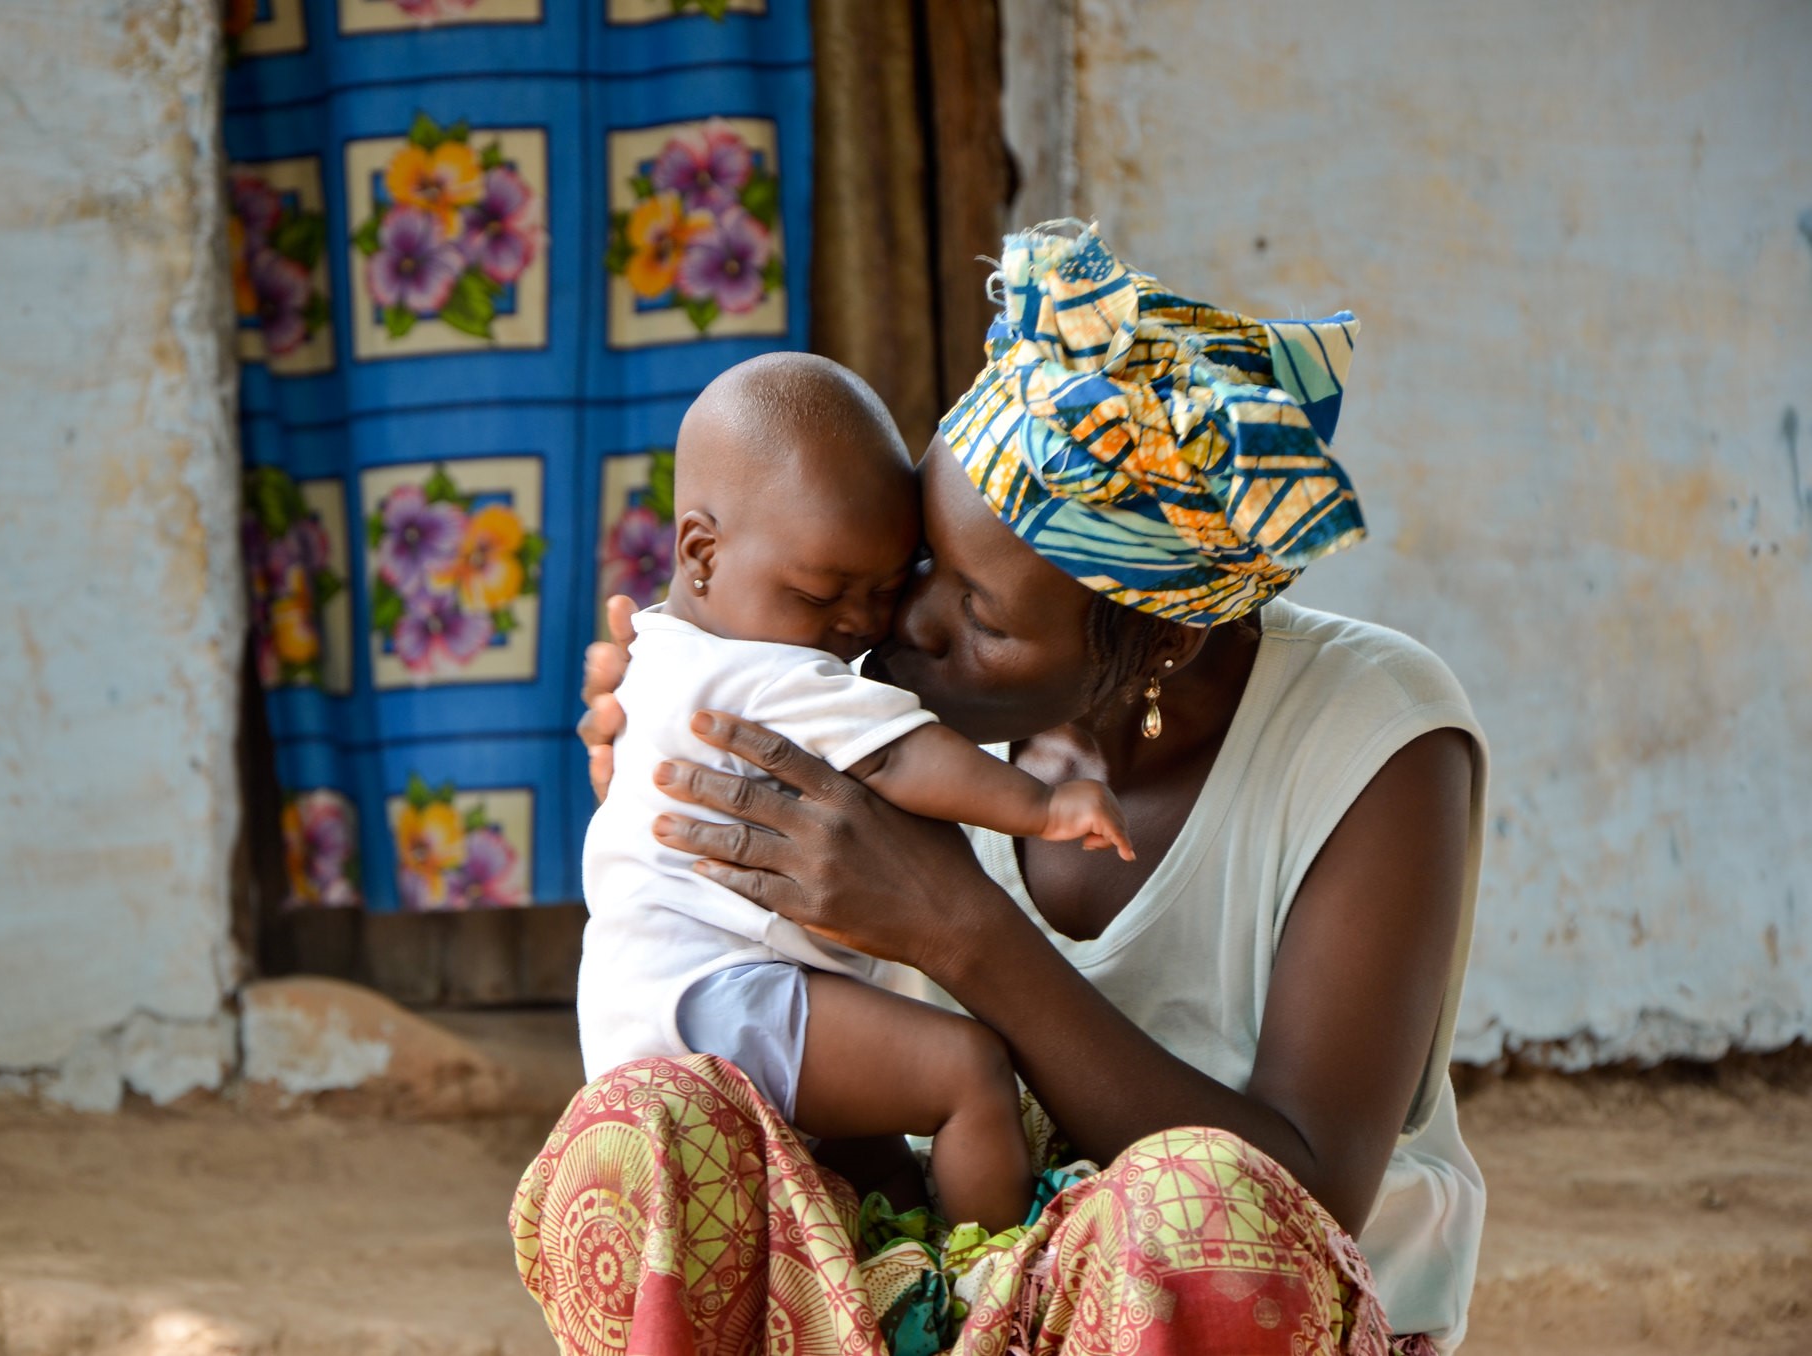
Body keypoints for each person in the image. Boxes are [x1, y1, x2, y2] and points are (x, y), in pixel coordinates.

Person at [514, 224, 1486, 1355]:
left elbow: (1307, 1201)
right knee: (649, 1134)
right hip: (937, 1298)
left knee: (1206, 1212)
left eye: (978, 615)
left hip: (1220, 1313)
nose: (901, 622)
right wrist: (656, 703)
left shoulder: (1374, 741)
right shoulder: (871, 681)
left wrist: (961, 930)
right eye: (920, 559)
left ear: (1158, 645)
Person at [582, 351, 1137, 1233]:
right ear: (699, 552)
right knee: (968, 1074)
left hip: (644, 1008)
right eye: (819, 592)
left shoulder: (658, 649)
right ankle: (989, 1293)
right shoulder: (774, 671)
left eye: (886, 587)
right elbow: (901, 760)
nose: (857, 624)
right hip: (727, 995)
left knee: (872, 1175)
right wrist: (1040, 805)